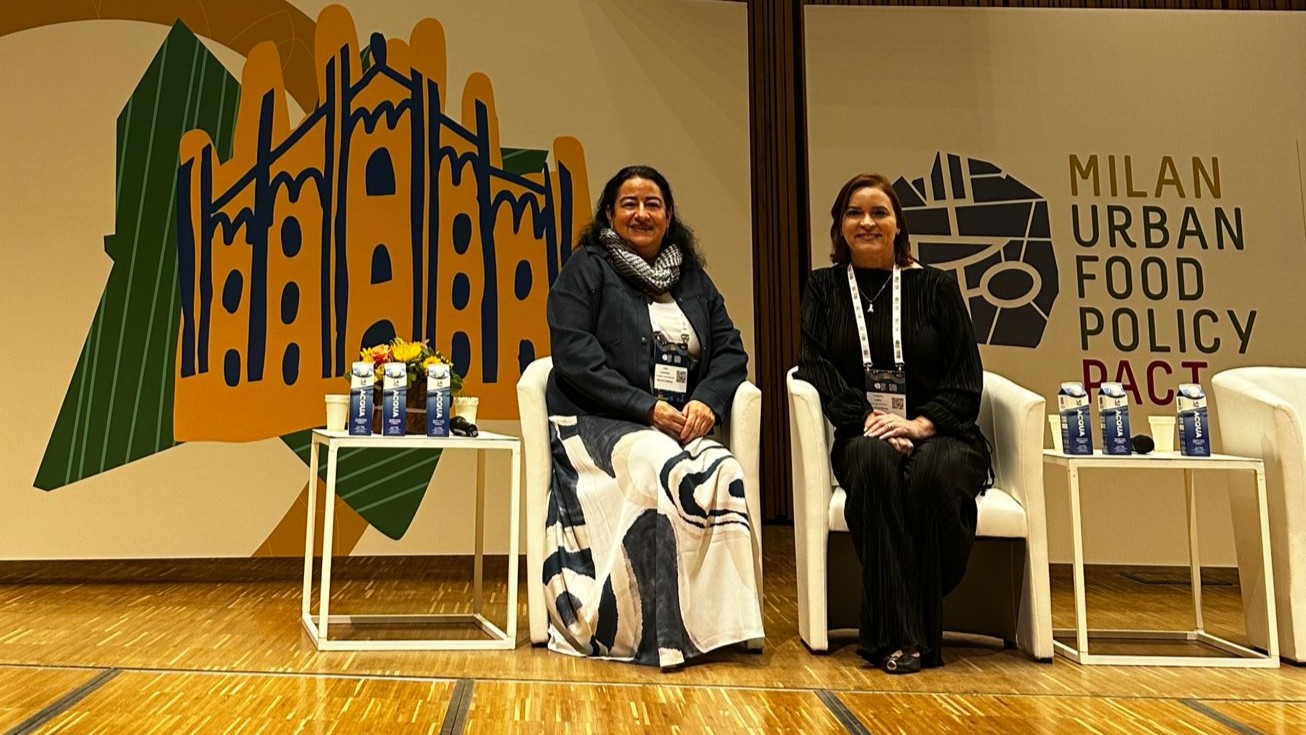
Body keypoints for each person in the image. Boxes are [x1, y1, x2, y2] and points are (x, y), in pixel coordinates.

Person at [542, 165, 764, 668]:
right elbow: (574, 355)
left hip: (678, 421)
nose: (642, 213)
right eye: (629, 203)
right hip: (599, 423)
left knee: (724, 471)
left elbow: (731, 351)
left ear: (668, 216)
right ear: (609, 214)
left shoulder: (693, 279)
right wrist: (646, 407)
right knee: (662, 462)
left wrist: (706, 400)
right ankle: (654, 632)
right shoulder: (587, 268)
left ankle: (721, 627)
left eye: (653, 204)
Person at [796, 172, 991, 674]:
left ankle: (898, 630)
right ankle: (907, 638)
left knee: (932, 476)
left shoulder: (937, 286)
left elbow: (966, 379)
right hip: (864, 433)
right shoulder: (823, 288)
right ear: (839, 227)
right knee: (873, 465)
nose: (867, 222)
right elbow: (816, 368)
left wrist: (920, 426)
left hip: (943, 433)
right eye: (854, 213)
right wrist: (869, 421)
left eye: (879, 213)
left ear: (899, 226)